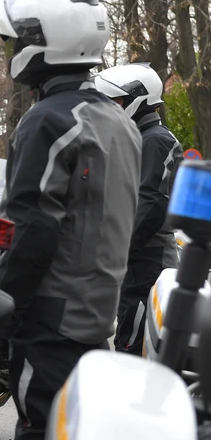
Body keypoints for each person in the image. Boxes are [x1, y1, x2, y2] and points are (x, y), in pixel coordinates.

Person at [0, 0, 142, 440]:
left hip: (51, 319)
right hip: (96, 316)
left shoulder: (49, 120)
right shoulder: (117, 120)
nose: (11, 52)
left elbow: (33, 230)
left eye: (16, 40)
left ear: (46, 41)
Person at [94, 63, 183, 356]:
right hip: (136, 257)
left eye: (116, 102)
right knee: (128, 335)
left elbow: (150, 203)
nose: (110, 109)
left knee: (134, 345)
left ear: (138, 100)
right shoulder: (136, 139)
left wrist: (112, 251)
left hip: (149, 260)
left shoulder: (156, 140)